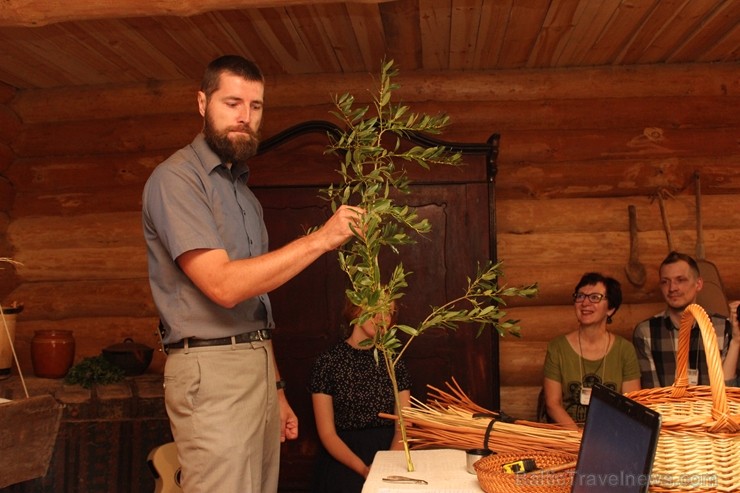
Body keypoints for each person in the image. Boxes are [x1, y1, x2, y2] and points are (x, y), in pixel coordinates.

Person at [142, 55, 362, 493]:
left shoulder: (242, 192)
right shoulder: (177, 180)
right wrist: (322, 238)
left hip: (256, 365)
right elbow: (223, 286)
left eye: (256, 106)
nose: (245, 116)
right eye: (232, 102)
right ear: (203, 103)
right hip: (210, 368)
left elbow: (255, 303)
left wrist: (276, 388)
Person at [310, 299, 412, 493]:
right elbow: (327, 433)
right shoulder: (327, 362)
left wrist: (386, 465)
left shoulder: (394, 360)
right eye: (376, 311)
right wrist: (364, 469)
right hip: (343, 457)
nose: (383, 318)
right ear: (356, 311)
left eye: (389, 312)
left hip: (390, 453)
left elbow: (404, 427)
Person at [543, 272, 641, 426]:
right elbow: (552, 404)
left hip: (611, 434)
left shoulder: (625, 350)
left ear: (610, 308)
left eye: (595, 297)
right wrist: (577, 436)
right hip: (568, 435)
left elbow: (631, 403)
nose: (585, 303)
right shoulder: (557, 348)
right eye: (580, 296)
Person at [633, 251, 740, 389]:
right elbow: (652, 394)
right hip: (668, 409)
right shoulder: (646, 331)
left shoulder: (722, 326)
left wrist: (736, 340)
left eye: (680, 280)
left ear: (698, 284)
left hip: (714, 409)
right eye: (665, 282)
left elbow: (728, 390)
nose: (672, 288)